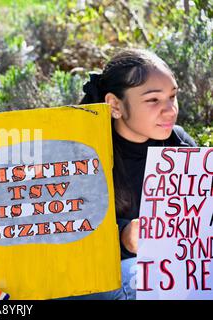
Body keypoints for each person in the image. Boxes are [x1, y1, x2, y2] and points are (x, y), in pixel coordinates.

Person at [78, 48, 197, 300]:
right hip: (108, 278)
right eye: (153, 100)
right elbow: (68, 235)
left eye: (172, 97)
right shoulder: (86, 154)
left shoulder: (179, 143)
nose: (170, 110)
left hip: (170, 270)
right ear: (115, 105)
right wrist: (123, 237)